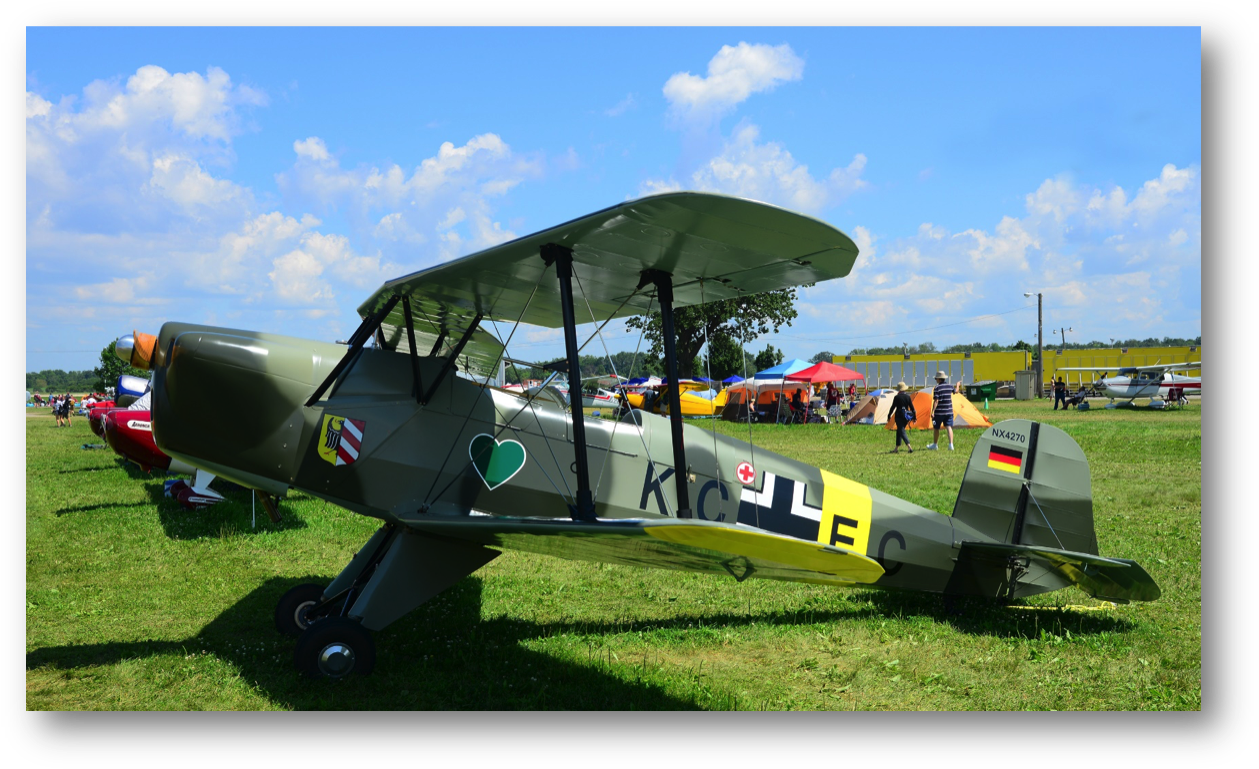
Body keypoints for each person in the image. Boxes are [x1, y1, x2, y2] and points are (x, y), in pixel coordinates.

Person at [927, 371, 955, 451]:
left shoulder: (937, 388)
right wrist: (958, 385)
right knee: (949, 427)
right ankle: (951, 445)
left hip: (939, 412)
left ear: (939, 379)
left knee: (936, 428)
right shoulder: (950, 386)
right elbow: (955, 391)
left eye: (936, 378)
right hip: (949, 411)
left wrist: (933, 411)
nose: (936, 380)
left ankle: (935, 445)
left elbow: (936, 401)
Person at [889, 382, 914, 453]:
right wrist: (914, 417)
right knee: (899, 431)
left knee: (902, 431)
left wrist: (889, 415)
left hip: (899, 416)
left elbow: (893, 407)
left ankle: (909, 447)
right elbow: (912, 408)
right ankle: (896, 448)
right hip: (906, 417)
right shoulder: (908, 397)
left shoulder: (897, 397)